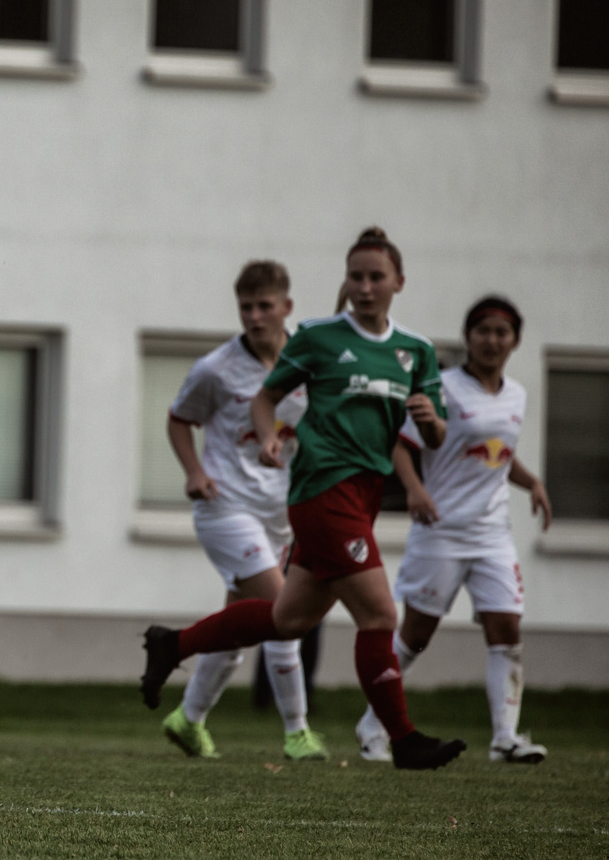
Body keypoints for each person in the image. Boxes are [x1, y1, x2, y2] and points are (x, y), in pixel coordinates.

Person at [139, 227, 468, 770]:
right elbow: (258, 401)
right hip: (315, 492)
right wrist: (251, 442)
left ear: (398, 283)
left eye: (375, 277)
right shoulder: (308, 341)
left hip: (346, 496)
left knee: (286, 620)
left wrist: (433, 425)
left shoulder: (416, 351)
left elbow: (434, 437)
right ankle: (391, 736)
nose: (364, 287)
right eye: (355, 276)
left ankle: (172, 647)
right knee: (381, 615)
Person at [358, 295, 554, 764]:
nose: (491, 340)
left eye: (501, 332)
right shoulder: (441, 387)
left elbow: (495, 455)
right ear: (467, 337)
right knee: (416, 634)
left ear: (516, 341)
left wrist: (533, 483)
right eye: (482, 330)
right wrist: (413, 489)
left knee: (506, 626)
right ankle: (372, 724)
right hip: (440, 529)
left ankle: (505, 738)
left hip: (492, 534)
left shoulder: (517, 396)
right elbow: (402, 447)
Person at [154, 261, 328, 761]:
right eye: (246, 307)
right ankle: (297, 732)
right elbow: (178, 420)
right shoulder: (216, 369)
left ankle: (188, 719)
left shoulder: (307, 360)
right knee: (285, 613)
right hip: (224, 508)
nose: (254, 316)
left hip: (279, 515)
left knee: (240, 626)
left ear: (286, 308)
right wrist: (193, 471)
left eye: (264, 306)